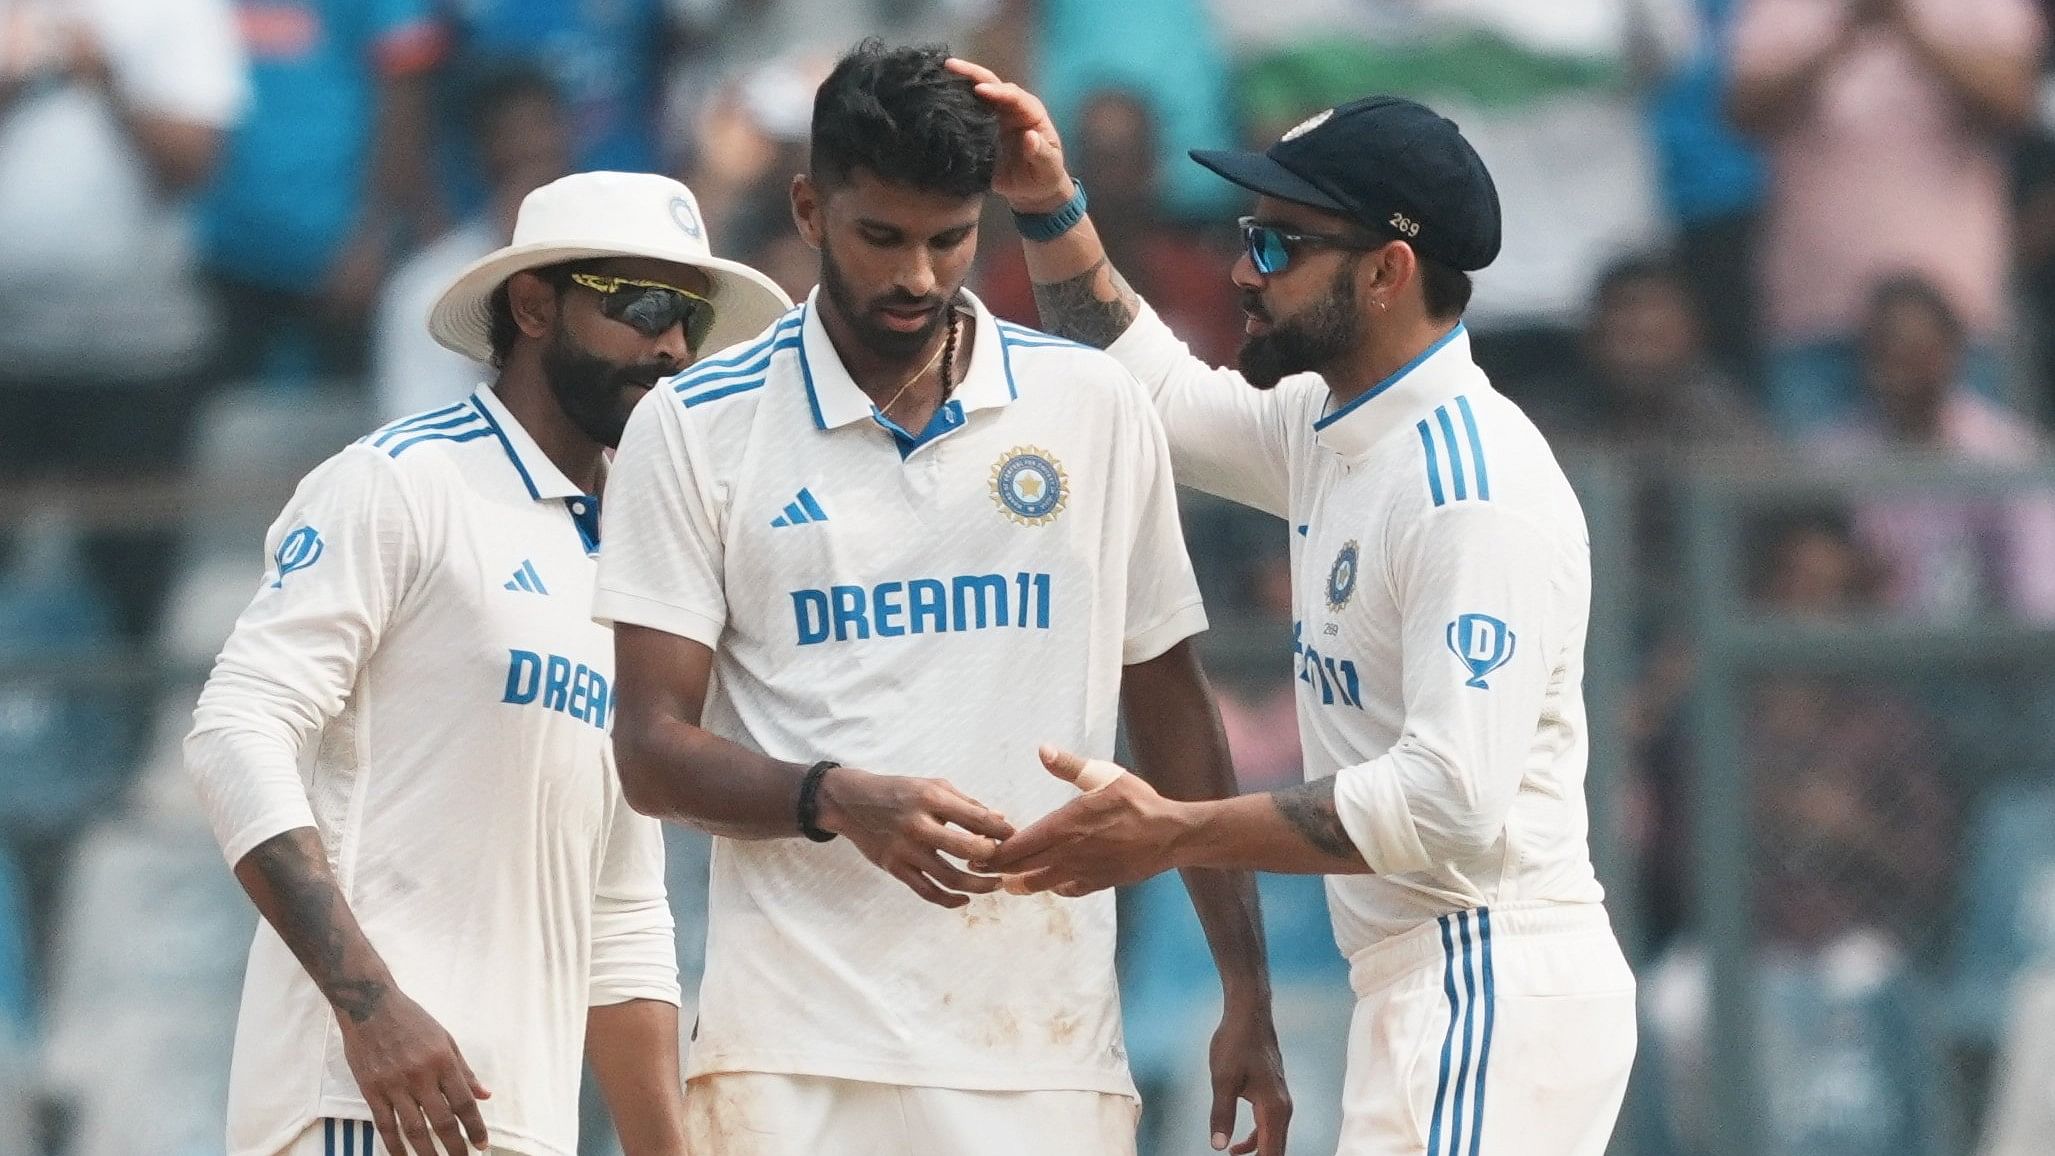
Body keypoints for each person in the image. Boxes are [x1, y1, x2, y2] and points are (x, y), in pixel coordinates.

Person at [596, 42, 1289, 1156]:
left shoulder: (1090, 405)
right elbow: (649, 747)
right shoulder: (695, 425)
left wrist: (1244, 987)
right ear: (811, 207)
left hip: (1043, 1049)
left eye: (948, 238)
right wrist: (837, 798)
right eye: (882, 237)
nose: (917, 275)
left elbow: (1172, 710)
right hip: (792, 1053)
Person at [953, 58, 1638, 1154]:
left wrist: (1169, 833)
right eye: (1246, 232)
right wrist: (1048, 201)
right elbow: (1158, 395)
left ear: (1387, 270)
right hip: (1428, 984)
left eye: (1279, 243)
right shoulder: (1336, 426)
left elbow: (1447, 803)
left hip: (1486, 974)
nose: (1241, 269)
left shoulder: (1472, 488)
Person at [184, 171, 791, 1156]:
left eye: (692, 317)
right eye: (643, 306)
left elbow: (623, 907)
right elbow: (233, 731)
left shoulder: (638, 563)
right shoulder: (400, 484)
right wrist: (373, 1010)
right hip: (360, 1104)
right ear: (535, 303)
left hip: (520, 1126)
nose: (674, 346)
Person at [1728, 0, 2045, 429]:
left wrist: (1905, 24)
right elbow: (1742, 112)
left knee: (1962, 491)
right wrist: (1847, 30)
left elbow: (2015, 106)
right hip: (1814, 314)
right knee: (1815, 494)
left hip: (1956, 316)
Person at [373, 63, 572, 420]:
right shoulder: (424, 289)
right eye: (512, 134)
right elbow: (416, 437)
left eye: (543, 128)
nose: (530, 147)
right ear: (482, 152)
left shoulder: (625, 266)